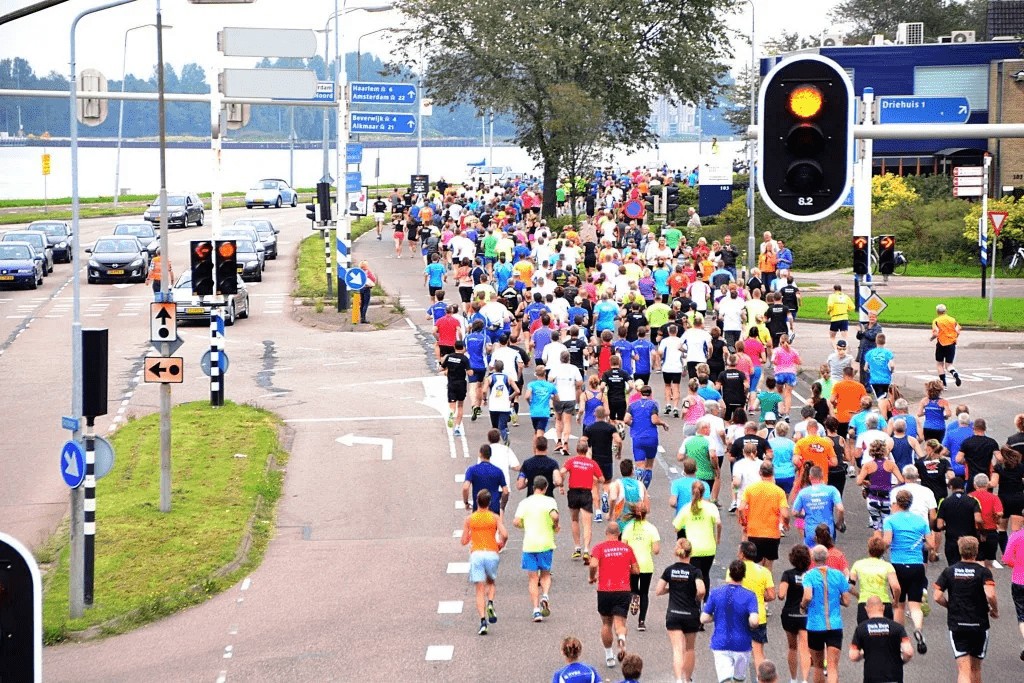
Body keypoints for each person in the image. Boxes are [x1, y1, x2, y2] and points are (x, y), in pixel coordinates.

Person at [933, 537, 998, 683]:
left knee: (963, 670)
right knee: (976, 668)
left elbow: (937, 596)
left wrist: (949, 606)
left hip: (957, 623)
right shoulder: (983, 572)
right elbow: (991, 594)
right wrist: (994, 610)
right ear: (976, 551)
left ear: (960, 550)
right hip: (979, 624)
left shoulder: (949, 571)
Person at [883, 488, 932, 651]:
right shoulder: (920, 521)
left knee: (899, 604)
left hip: (897, 564)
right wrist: (919, 545)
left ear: (897, 502)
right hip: (917, 565)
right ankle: (918, 629)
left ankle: (899, 639)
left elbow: (887, 541)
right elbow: (931, 544)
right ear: (910, 503)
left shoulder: (890, 520)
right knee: (915, 605)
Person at [589, 522, 640, 668]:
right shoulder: (626, 548)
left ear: (606, 533)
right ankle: (622, 638)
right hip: (623, 590)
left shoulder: (600, 547)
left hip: (605, 590)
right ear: (619, 534)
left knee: (606, 623)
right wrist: (625, 569)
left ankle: (609, 656)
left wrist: (592, 577)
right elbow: (636, 570)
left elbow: (593, 564)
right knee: (620, 623)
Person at [656, 538, 707, 683]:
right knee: (689, 649)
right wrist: (698, 597)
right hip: (691, 614)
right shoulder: (695, 571)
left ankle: (678, 679)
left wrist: (671, 589)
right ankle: (687, 679)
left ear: (677, 552)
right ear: (691, 553)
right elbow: (701, 590)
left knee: (677, 650)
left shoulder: (669, 570)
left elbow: (658, 590)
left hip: (674, 614)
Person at [701, 560, 760, 683]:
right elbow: (754, 621)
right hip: (742, 644)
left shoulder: (716, 593)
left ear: (729, 573)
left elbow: (703, 618)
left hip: (720, 642)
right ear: (744, 575)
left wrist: (716, 616)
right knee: (739, 679)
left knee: (725, 679)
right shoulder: (750, 595)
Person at [461, 489, 509, 635]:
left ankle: (483, 621)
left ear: (477, 501)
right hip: (491, 553)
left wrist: (470, 536)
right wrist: (500, 543)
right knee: (491, 582)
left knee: (479, 589)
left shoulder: (470, 519)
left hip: (477, 553)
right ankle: (491, 603)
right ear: (489, 503)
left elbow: (463, 541)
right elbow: (505, 534)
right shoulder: (494, 517)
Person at [802, 544, 852, 683]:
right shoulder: (838, 575)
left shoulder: (809, 575)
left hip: (815, 625)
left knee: (818, 666)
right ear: (827, 557)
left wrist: (803, 606)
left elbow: (807, 596)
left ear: (812, 557)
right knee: (832, 666)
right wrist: (837, 599)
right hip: (835, 625)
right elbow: (847, 601)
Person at [513, 476, 560, 623]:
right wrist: (555, 525)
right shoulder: (550, 501)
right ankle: (545, 595)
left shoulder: (525, 503)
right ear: (545, 488)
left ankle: (535, 611)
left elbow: (516, 521)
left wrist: (523, 525)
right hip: (546, 543)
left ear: (533, 487)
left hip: (530, 544)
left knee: (533, 579)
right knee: (545, 574)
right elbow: (554, 515)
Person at [848, 595, 914, 683]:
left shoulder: (861, 628)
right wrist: (902, 661)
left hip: (871, 678)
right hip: (894, 677)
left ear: (866, 609)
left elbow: (853, 656)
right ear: (883, 608)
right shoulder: (897, 627)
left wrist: (863, 653)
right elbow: (908, 652)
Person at [740, 461, 790, 572]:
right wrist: (786, 524)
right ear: (772, 473)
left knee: (753, 565)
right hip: (772, 533)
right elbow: (785, 514)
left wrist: (744, 522)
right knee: (768, 566)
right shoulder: (779, 491)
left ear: (760, 473)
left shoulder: (750, 489)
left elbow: (741, 508)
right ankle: (766, 588)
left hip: (754, 532)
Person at [672, 480, 721, 587]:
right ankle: (706, 601)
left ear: (692, 492)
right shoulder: (711, 507)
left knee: (694, 577)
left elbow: (676, 527)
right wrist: (718, 538)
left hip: (693, 549)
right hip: (709, 547)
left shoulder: (686, 508)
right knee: (705, 574)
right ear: (704, 492)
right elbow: (718, 523)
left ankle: (695, 601)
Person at [562, 442, 606, 562]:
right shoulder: (592, 463)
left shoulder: (571, 461)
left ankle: (577, 547)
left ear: (576, 449)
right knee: (587, 523)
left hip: (573, 492)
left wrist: (561, 484)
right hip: (586, 493)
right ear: (587, 451)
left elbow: (562, 471)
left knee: (574, 519)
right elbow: (602, 479)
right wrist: (594, 477)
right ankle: (587, 550)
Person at [621, 505, 661, 632]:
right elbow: (656, 550)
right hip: (646, 564)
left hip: (632, 564)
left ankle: (634, 595)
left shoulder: (628, 528)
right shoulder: (651, 528)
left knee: (633, 588)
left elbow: (623, 546)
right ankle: (641, 622)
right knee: (644, 592)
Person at [738, 540, 776, 670]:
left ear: (742, 555)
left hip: (739, 614)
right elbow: (771, 595)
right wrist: (760, 595)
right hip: (758, 614)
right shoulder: (764, 571)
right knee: (758, 652)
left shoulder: (736, 568)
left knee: (737, 652)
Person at [624, 384, 670, 488]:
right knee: (649, 466)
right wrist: (663, 423)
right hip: (651, 437)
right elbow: (654, 420)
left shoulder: (632, 405)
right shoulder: (653, 405)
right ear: (650, 393)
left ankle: (638, 490)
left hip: (637, 437)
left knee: (639, 466)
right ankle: (645, 489)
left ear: (640, 393)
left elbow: (626, 420)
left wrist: (633, 424)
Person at [778, 544, 812, 683]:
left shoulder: (788, 574)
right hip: (805, 615)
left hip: (789, 615)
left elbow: (781, 595)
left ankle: (793, 679)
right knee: (805, 648)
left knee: (792, 647)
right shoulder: (811, 575)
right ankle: (804, 680)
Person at [849, 536, 900, 624]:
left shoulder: (858, 564)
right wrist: (895, 601)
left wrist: (858, 595)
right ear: (883, 551)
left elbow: (850, 586)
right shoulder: (887, 566)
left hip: (865, 603)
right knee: (886, 634)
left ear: (869, 549)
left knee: (864, 633)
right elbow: (896, 587)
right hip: (884, 603)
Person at [857, 440, 904, 532]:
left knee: (876, 527)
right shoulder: (890, 464)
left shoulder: (868, 465)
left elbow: (859, 482)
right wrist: (893, 487)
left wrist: (867, 483)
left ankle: (876, 545)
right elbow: (901, 480)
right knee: (887, 526)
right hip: (887, 498)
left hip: (873, 498)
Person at [793, 466, 845, 547]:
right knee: (828, 553)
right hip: (828, 530)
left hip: (811, 530)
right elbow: (840, 509)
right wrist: (839, 524)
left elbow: (794, 512)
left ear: (810, 477)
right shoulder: (832, 490)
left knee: (812, 555)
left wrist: (804, 515)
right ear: (822, 476)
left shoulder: (803, 492)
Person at [936, 477, 982, 565]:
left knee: (953, 567)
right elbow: (978, 519)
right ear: (963, 487)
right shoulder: (973, 501)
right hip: (969, 540)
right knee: (970, 565)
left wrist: (948, 525)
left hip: (952, 540)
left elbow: (939, 525)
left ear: (951, 487)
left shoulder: (944, 502)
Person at [956, 418, 1001, 493]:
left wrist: (966, 461)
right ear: (985, 428)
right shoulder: (991, 442)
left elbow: (958, 459)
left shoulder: (967, 442)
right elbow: (999, 458)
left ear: (973, 428)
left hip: (972, 478)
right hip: (986, 477)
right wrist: (995, 467)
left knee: (971, 500)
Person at [968, 473, 1003, 567]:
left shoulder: (970, 496)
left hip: (974, 531)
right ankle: (987, 580)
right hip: (990, 530)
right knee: (989, 561)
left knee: (976, 559)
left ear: (975, 485)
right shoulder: (994, 497)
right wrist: (997, 520)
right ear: (987, 484)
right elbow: (999, 512)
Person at [440, 339, 472, 437]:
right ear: (463, 348)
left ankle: (451, 414)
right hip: (461, 384)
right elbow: (470, 372)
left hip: (451, 384)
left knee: (452, 406)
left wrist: (446, 371)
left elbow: (441, 368)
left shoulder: (449, 357)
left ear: (454, 347)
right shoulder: (464, 359)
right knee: (460, 406)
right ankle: (457, 428)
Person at [1002, 524, 1024, 661]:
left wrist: (1017, 566)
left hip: (1019, 579)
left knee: (1022, 615)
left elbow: (1007, 559)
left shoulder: (1016, 536)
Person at [930, 303, 962, 387]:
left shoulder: (936, 321)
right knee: (949, 365)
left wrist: (932, 338)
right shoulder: (952, 320)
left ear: (937, 312)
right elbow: (958, 331)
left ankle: (944, 384)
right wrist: (954, 337)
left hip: (941, 344)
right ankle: (954, 374)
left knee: (939, 364)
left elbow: (936, 333)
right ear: (946, 311)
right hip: (951, 344)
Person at [485, 359, 517, 444]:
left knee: (495, 427)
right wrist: (510, 397)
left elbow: (484, 391)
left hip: (493, 405)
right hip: (504, 405)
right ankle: (506, 441)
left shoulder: (490, 378)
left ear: (494, 368)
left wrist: (484, 399)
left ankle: (494, 444)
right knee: (502, 426)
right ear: (503, 368)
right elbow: (517, 391)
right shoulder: (508, 378)